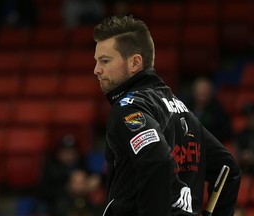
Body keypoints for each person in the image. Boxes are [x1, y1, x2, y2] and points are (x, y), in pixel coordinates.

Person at [93, 15, 241, 216]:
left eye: (105, 61)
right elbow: (227, 169)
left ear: (135, 63)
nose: (97, 70)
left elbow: (157, 161)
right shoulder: (182, 109)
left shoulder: (128, 108)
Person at [184, 77, 233, 143]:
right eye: (200, 90)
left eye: (205, 90)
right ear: (194, 92)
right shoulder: (185, 106)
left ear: (210, 93)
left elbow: (225, 132)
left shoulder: (218, 110)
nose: (203, 92)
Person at [234, 103, 254, 175]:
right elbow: (238, 156)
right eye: (249, 117)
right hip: (246, 172)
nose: (251, 120)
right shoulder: (241, 135)